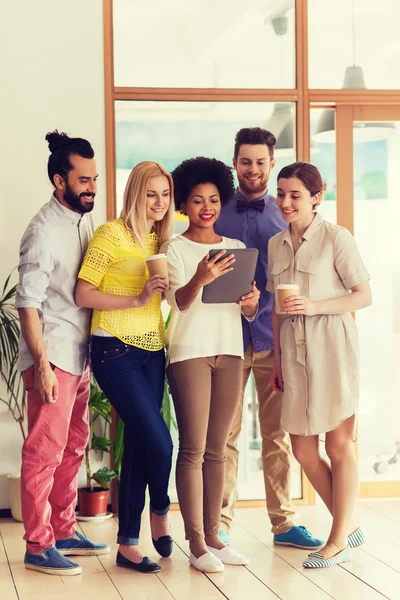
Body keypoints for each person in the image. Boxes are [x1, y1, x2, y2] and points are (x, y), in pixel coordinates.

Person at [215, 127, 323, 549]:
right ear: (235, 162)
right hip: (225, 336)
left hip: (274, 340)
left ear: (271, 164)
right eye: (246, 161)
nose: (253, 169)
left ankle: (282, 523)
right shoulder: (215, 211)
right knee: (224, 435)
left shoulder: (287, 212)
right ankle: (219, 524)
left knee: (277, 435)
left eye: (261, 162)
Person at [268, 161, 371, 568]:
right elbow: (278, 308)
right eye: (282, 194)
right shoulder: (277, 245)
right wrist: (277, 357)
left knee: (338, 444)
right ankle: (347, 527)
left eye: (295, 195)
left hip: (334, 348)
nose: (286, 202)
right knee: (303, 448)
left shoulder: (336, 238)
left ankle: (336, 540)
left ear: (316, 196)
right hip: (292, 355)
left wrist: (315, 307)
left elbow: (363, 295)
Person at [16, 130, 109, 576]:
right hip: (52, 355)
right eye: (83, 180)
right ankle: (38, 545)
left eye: (94, 178)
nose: (92, 186)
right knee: (44, 452)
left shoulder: (82, 218)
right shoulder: (42, 231)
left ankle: (65, 528)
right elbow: (27, 304)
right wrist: (43, 367)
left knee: (74, 446)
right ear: (59, 180)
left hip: (80, 351)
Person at [161, 157, 260, 573]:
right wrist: (200, 277)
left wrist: (252, 305)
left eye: (214, 199)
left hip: (230, 352)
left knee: (218, 450)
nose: (207, 207)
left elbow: (246, 310)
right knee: (194, 449)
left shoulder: (236, 249)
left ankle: (216, 536)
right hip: (189, 353)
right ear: (183, 204)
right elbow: (178, 303)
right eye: (198, 200)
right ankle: (196, 543)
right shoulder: (175, 249)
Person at [76, 161, 175, 573]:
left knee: (138, 442)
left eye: (165, 195)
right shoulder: (110, 234)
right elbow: (84, 293)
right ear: (136, 192)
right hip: (113, 350)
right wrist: (136, 299)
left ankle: (128, 544)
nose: (159, 202)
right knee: (161, 442)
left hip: (153, 351)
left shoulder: (161, 239)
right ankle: (161, 511)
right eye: (151, 193)